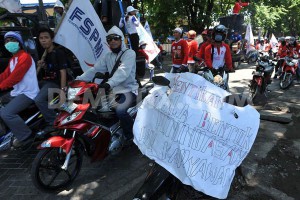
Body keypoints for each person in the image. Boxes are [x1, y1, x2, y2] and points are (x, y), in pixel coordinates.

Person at [76, 26, 138, 143]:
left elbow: (123, 71)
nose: (113, 41)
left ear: (121, 40)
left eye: (116, 38)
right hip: (113, 90)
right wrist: (78, 80)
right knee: (93, 108)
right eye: (110, 39)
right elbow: (94, 69)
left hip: (128, 90)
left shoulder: (129, 53)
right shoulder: (107, 56)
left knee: (120, 111)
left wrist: (109, 83)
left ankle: (130, 136)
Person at [0, 31, 39, 149]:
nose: (8, 43)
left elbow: (15, 77)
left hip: (28, 93)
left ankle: (26, 136)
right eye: (6, 41)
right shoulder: (13, 60)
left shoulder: (25, 57)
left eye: (11, 40)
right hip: (17, 92)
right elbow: (5, 75)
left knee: (6, 113)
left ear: (19, 43)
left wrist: (1, 86)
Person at [34, 28, 68, 136]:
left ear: (52, 39)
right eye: (41, 38)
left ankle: (53, 121)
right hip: (46, 82)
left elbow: (63, 72)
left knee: (38, 100)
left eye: (46, 38)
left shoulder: (58, 52)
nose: (43, 40)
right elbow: (50, 69)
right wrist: (43, 66)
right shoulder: (44, 53)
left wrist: (62, 90)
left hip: (55, 83)